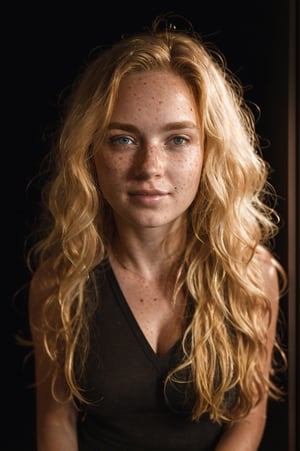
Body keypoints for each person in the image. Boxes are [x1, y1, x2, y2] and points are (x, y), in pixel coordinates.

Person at [23, 14, 287, 451]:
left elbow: (249, 417)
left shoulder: (252, 275)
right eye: (123, 139)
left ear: (210, 152)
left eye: (178, 139)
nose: (150, 168)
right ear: (90, 153)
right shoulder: (58, 282)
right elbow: (57, 423)